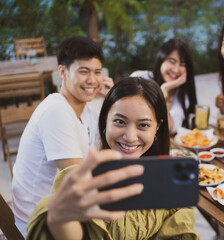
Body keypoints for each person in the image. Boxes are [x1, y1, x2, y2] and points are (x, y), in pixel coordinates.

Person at [26, 77, 199, 239]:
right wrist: (58, 218)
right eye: (120, 122)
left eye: (143, 125)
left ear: (157, 128)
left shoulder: (169, 184)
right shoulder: (80, 181)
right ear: (105, 121)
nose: (130, 136)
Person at [12, 36, 114, 237]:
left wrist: (113, 99)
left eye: (97, 72)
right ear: (62, 72)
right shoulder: (56, 110)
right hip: (40, 223)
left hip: (62, 211)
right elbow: (77, 179)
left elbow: (108, 144)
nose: (92, 80)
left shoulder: (86, 110)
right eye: (83, 71)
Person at [130, 38, 197, 134]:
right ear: (161, 61)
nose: (176, 70)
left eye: (182, 64)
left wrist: (164, 94)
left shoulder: (182, 97)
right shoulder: (140, 78)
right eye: (172, 61)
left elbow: (169, 129)